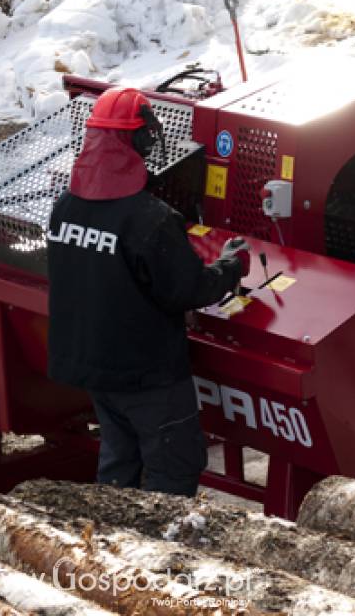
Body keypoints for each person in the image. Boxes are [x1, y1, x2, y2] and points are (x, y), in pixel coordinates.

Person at [47, 86, 249, 497]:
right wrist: (231, 267)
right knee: (172, 470)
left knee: (119, 460)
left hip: (95, 368)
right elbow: (189, 289)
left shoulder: (66, 206)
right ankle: (160, 556)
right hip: (147, 375)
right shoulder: (149, 219)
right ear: (134, 141)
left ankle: (108, 545)